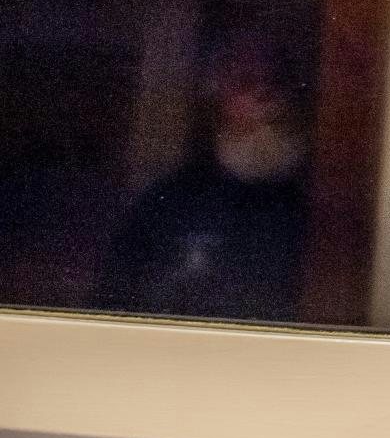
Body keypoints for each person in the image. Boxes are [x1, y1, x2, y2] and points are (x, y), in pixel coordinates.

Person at [97, 35, 311, 322]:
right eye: (245, 82)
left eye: (276, 82)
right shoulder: (170, 201)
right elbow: (115, 304)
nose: (263, 95)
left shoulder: (316, 203)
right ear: (217, 95)